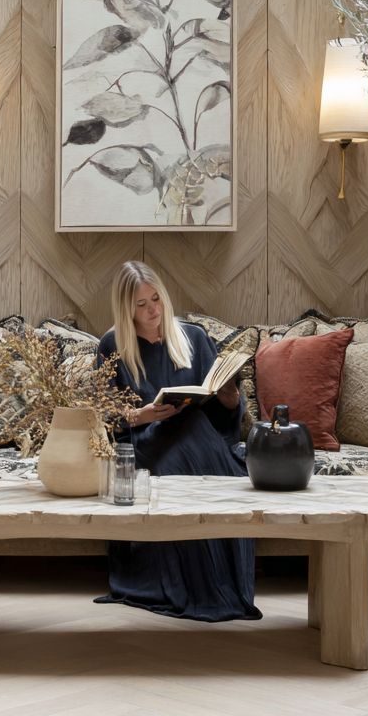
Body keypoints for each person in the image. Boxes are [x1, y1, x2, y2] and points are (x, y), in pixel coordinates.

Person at [94, 260, 261, 622]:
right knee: (188, 433)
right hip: (146, 444)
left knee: (195, 425)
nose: (153, 309)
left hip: (197, 437)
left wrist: (231, 399)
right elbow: (103, 421)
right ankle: (203, 584)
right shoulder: (112, 346)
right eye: (142, 304)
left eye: (156, 299)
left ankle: (222, 581)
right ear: (127, 308)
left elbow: (225, 419)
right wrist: (141, 416)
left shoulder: (194, 338)